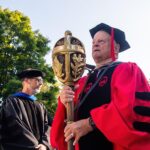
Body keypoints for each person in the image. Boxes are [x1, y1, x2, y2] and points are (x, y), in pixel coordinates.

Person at [50, 23, 150, 150]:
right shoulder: (81, 81)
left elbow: (128, 108)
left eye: (101, 41)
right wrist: (64, 102)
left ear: (116, 47)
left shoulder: (127, 70)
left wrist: (89, 123)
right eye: (93, 42)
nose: (95, 44)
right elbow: (68, 121)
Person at [0, 68, 51, 150]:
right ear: (27, 81)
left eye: (42, 81)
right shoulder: (12, 102)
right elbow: (15, 127)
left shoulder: (40, 106)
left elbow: (46, 128)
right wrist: (34, 146)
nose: (41, 83)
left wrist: (44, 145)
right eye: (38, 80)